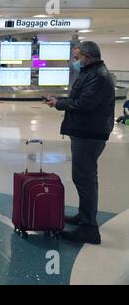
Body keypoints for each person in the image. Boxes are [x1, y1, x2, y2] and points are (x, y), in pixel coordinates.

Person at [46, 41, 115, 245]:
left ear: (88, 56)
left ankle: (89, 228)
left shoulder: (99, 76)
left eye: (77, 58)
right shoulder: (92, 72)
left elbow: (85, 104)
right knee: (83, 178)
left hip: (89, 134)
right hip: (86, 131)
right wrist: (59, 99)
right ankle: (84, 217)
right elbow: (80, 98)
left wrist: (59, 104)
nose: (75, 61)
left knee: (85, 179)